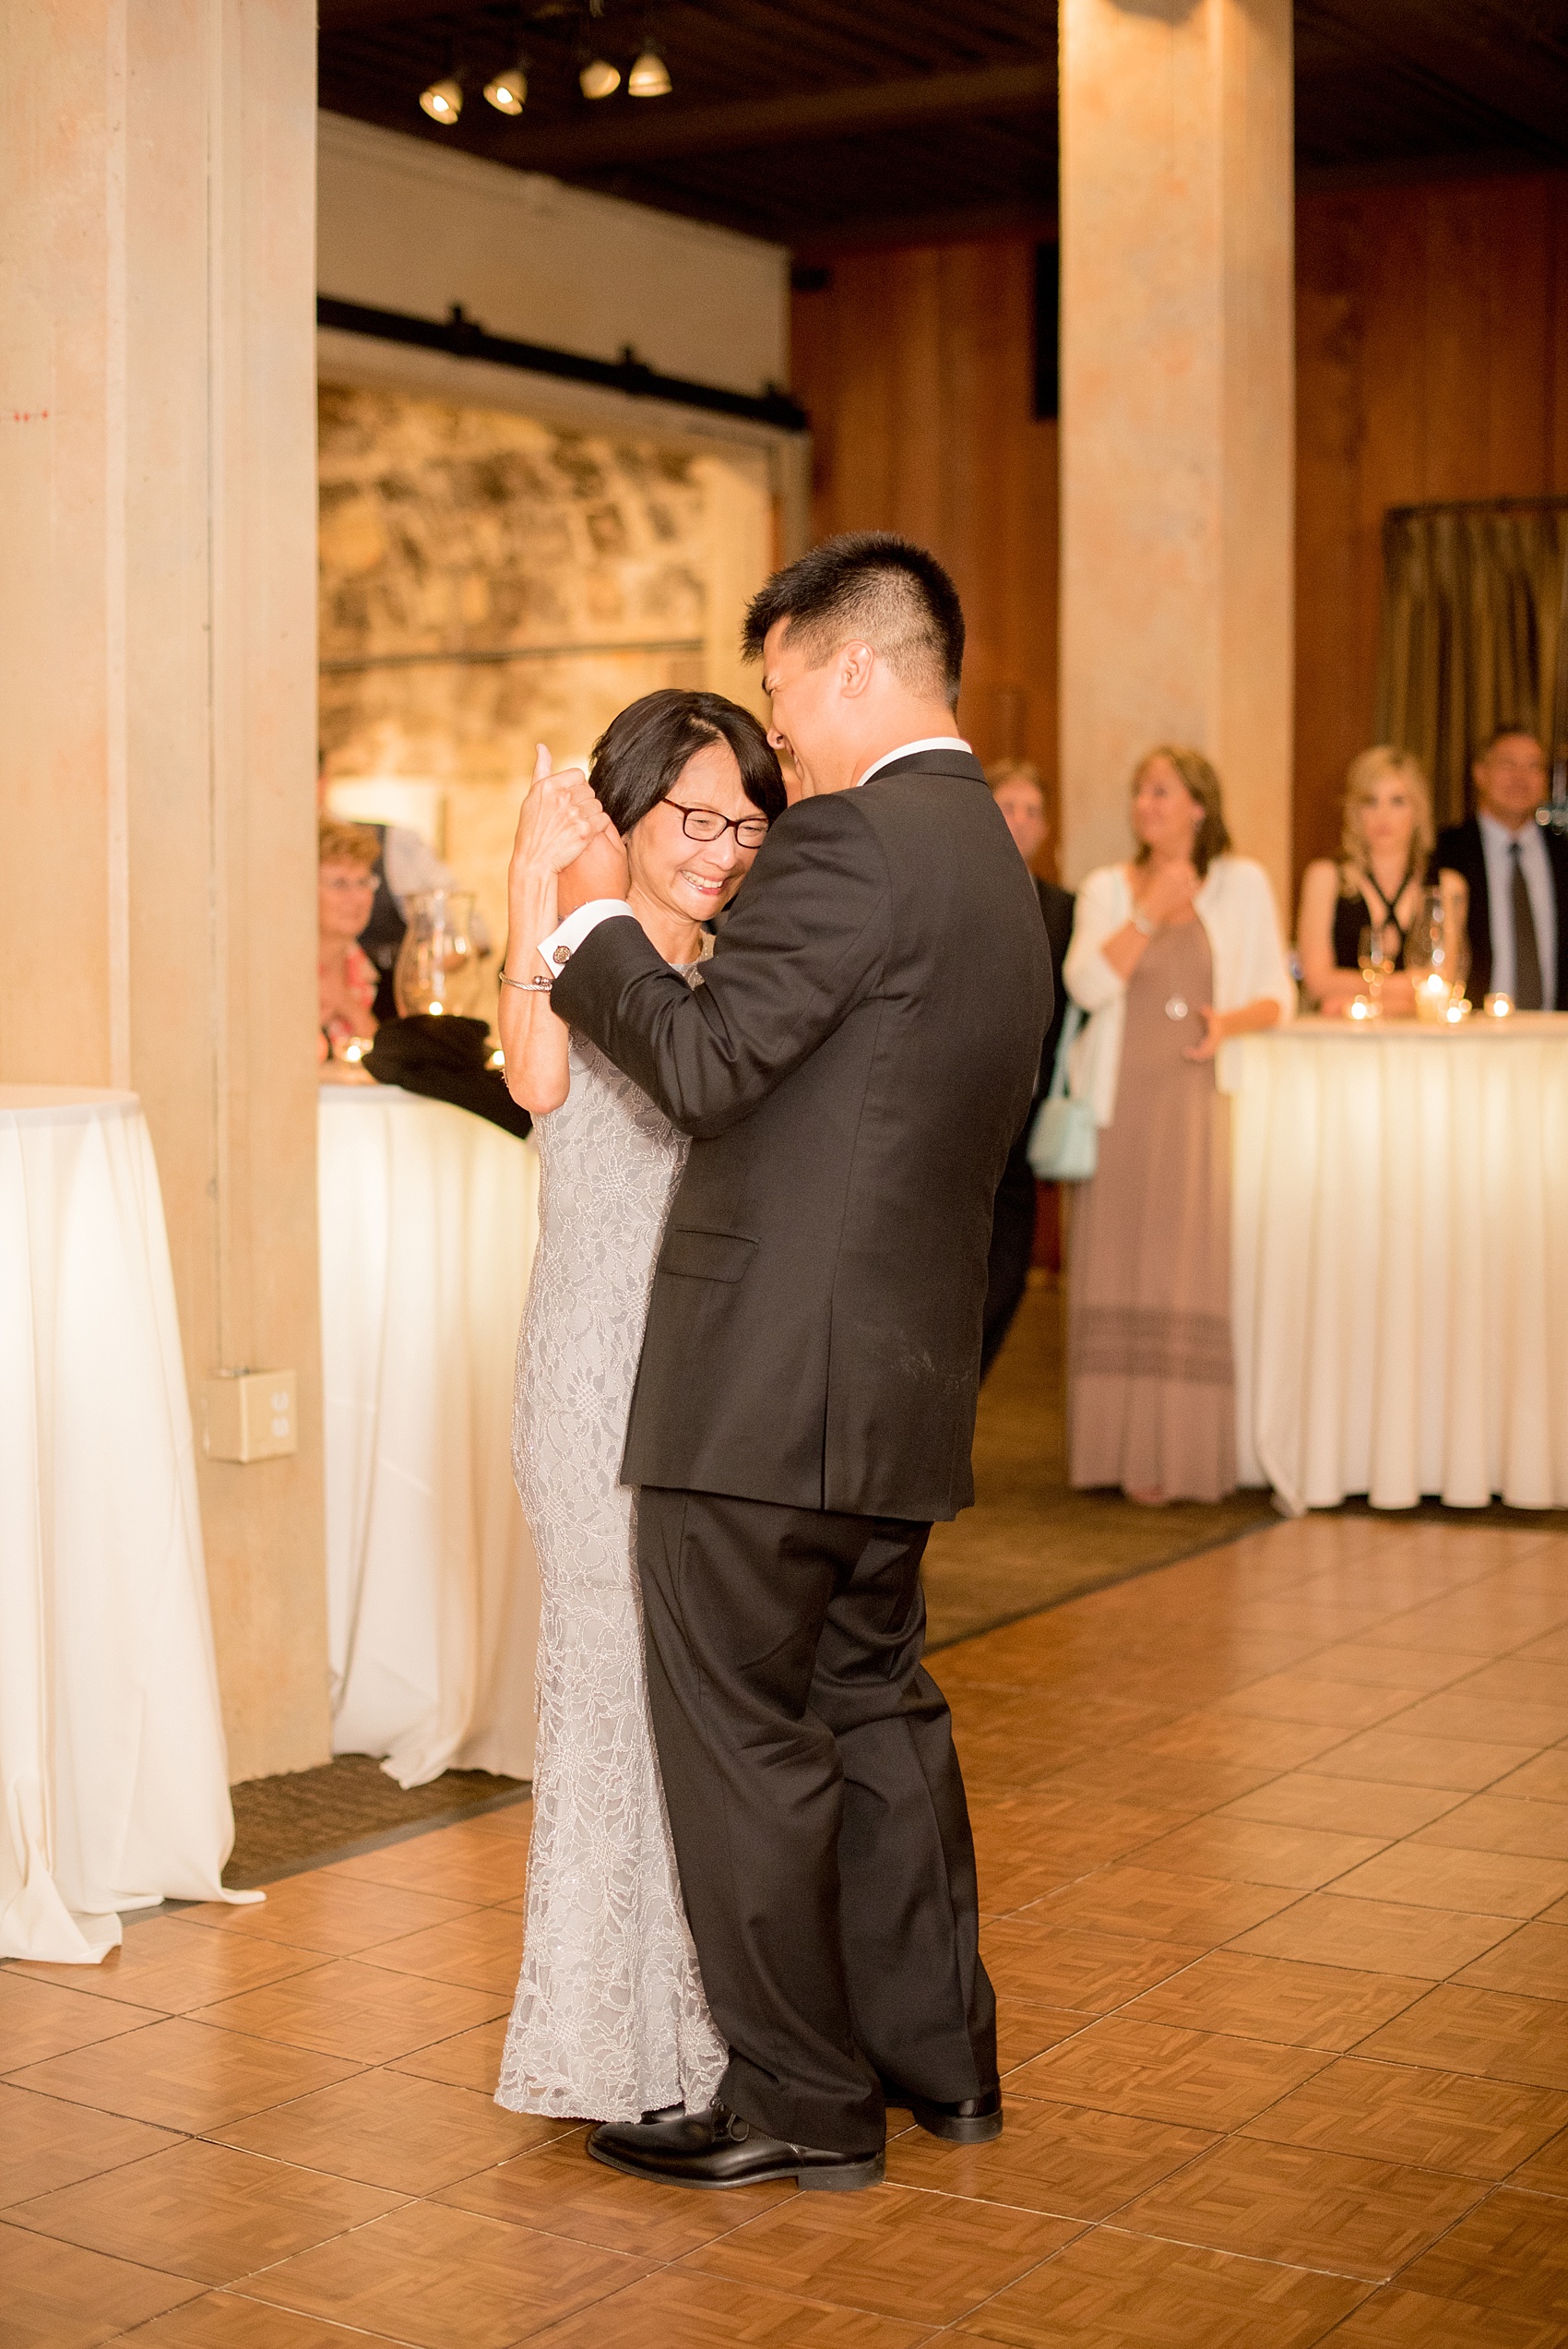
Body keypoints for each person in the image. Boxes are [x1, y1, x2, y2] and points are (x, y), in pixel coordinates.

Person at [505, 532, 1050, 2193]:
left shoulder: (854, 845)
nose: (779, 736)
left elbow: (706, 1064)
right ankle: (938, 2062)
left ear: (852, 664)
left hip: (758, 1392)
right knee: (878, 1716)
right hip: (899, 1386)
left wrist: (587, 913)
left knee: (743, 1741)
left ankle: (801, 2101)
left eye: (782, 690)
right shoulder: (996, 877)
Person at [494, 688, 784, 2125]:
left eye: (747, 822)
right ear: (629, 813)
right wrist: (525, 886)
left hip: (710, 1384)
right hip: (591, 1369)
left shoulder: (746, 973)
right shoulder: (577, 949)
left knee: (699, 1714)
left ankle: (713, 2034)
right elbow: (540, 1080)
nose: (723, 849)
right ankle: (619, 2042)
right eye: (698, 818)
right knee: (607, 1703)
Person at [1063, 747, 1294, 1505]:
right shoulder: (1106, 887)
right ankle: (1114, 1452)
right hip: (1119, 1104)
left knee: (1183, 1264)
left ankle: (1186, 1456)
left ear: (1200, 803)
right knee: (1120, 1259)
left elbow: (1274, 997)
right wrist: (1147, 914)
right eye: (1140, 791)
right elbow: (1087, 985)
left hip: (1198, 1099)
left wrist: (1227, 1022)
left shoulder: (1244, 883)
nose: (1147, 805)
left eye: (1161, 791)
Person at [981, 760, 1075, 1373]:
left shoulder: (1065, 909)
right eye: (1007, 806)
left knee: (1008, 1280)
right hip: (962, 1115)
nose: (1020, 821)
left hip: (1026, 1123)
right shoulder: (961, 890)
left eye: (1032, 810)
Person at [1435, 725, 1568, 1009]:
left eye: (1534, 767)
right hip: (1470, 1030)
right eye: (1508, 764)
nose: (1521, 778)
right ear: (1480, 773)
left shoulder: (1563, 854)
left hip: (1557, 1033)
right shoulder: (1444, 852)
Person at [1296, 746, 1434, 1016]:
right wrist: (1409, 996)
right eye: (1371, 801)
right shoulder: (1324, 877)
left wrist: (1354, 1001)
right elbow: (1316, 982)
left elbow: (1443, 983)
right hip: (1343, 1043)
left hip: (1423, 1046)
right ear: (1355, 810)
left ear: (1418, 811)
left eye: (1397, 801)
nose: (1383, 815)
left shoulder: (1444, 886)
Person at [317, 818, 381, 1060]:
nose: (358, 898)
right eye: (340, 884)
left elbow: (381, 1061)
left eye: (363, 882)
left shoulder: (364, 968)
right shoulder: (282, 970)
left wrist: (346, 1003)